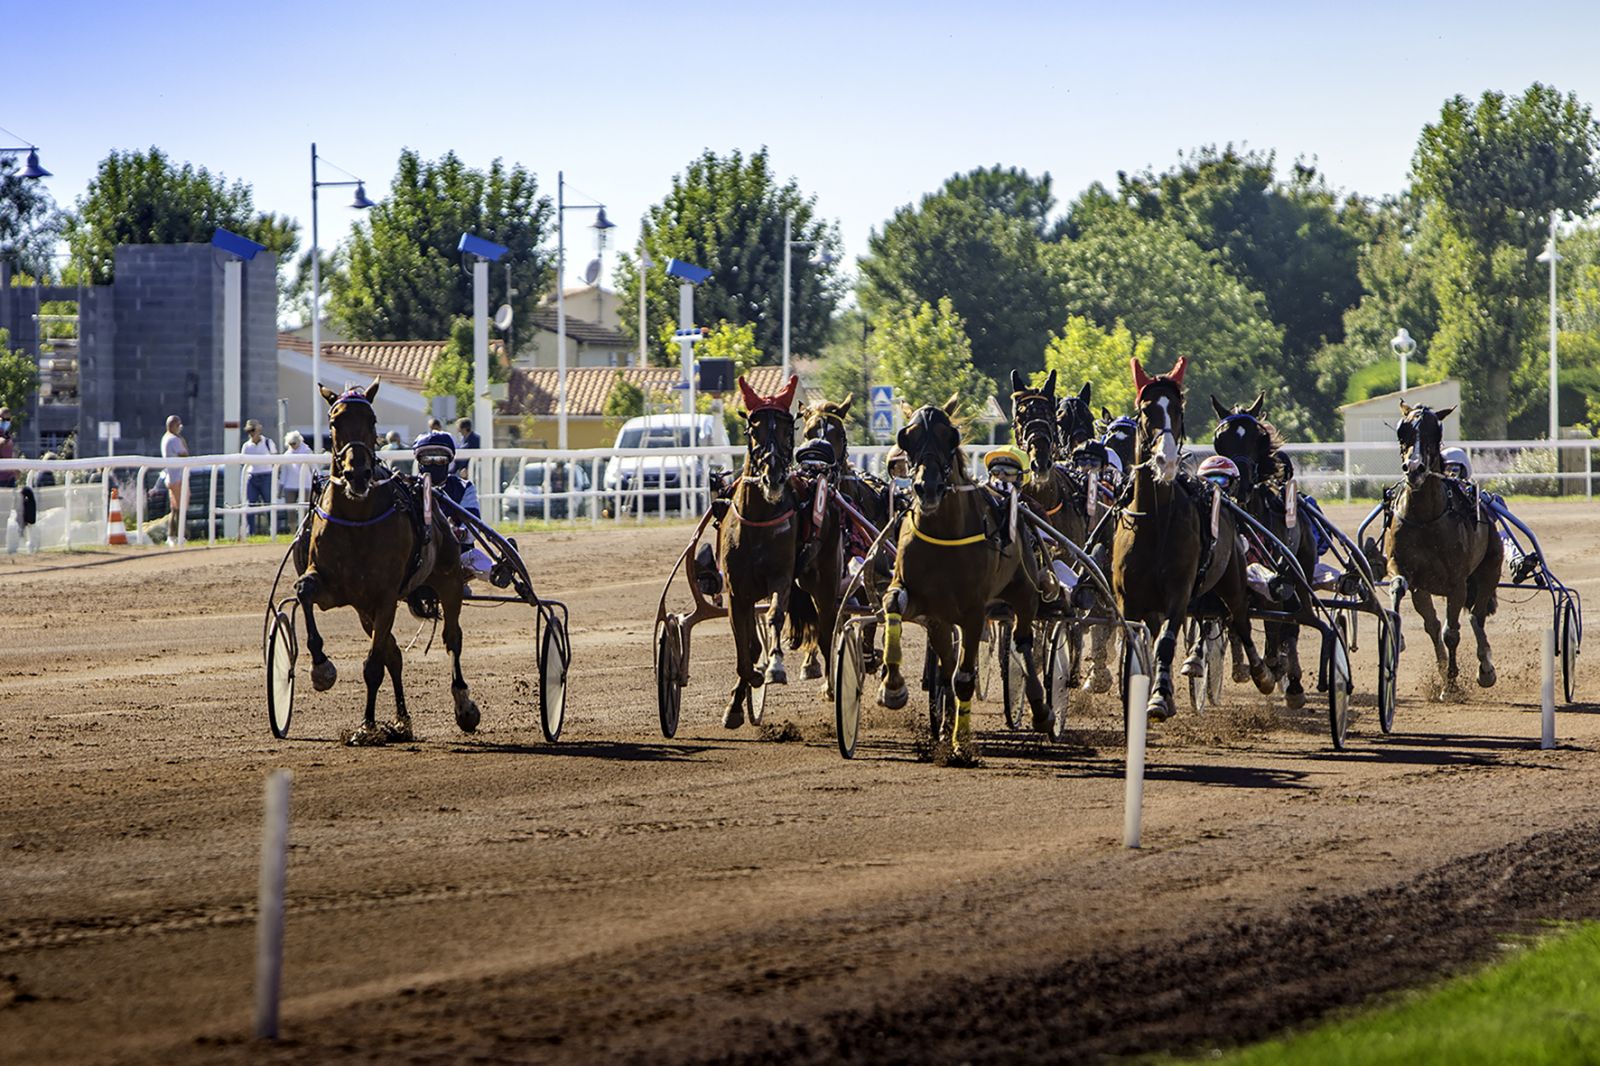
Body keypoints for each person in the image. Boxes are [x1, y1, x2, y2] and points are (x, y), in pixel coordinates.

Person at [413, 431, 495, 581]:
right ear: (419, 461)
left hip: (454, 554)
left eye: (440, 460)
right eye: (427, 459)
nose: (433, 463)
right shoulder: (408, 487)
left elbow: (472, 527)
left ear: (449, 461)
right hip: (416, 557)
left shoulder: (464, 487)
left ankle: (495, 572)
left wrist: (459, 533)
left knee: (477, 558)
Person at [241, 418, 277, 536]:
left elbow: (275, 459)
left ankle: (273, 530)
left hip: (266, 476)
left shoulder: (268, 442)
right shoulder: (246, 446)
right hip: (252, 477)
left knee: (269, 503)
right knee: (250, 504)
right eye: (249, 431)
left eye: (253, 430)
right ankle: (250, 532)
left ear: (259, 429)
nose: (251, 433)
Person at [160, 414, 189, 546]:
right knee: (180, 508)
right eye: (178, 425)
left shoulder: (165, 438)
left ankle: (173, 536)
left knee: (175, 508)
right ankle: (178, 535)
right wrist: (182, 440)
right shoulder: (174, 440)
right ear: (172, 426)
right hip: (177, 478)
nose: (180, 428)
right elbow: (185, 454)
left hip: (172, 477)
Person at [280, 431, 312, 528]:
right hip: (290, 485)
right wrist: (281, 486)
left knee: (306, 508)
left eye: (294, 443)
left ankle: (305, 528)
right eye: (290, 444)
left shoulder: (307, 451)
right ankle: (293, 530)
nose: (292, 446)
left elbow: (313, 467)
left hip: (306, 484)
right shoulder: (287, 454)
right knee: (290, 510)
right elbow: (284, 472)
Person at [0, 406, 15, 489]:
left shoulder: (8, 435)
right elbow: (2, 442)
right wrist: (5, 440)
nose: (5, 422)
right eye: (2, 419)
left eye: (7, 419)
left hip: (10, 478)